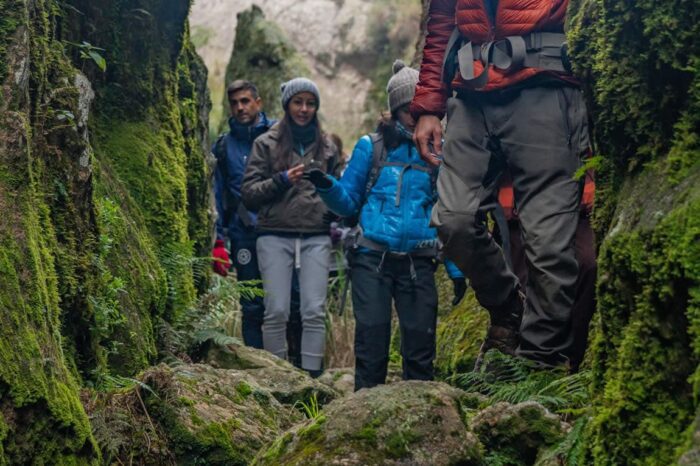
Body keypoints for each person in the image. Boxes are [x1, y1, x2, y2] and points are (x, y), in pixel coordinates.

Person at [411, 0, 591, 368]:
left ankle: (540, 363)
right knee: (452, 218)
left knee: (548, 244)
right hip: (472, 88)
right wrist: (430, 105)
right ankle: (508, 307)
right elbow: (443, 20)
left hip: (546, 83)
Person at [305, 61, 465, 391]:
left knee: (421, 346)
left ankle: (422, 418)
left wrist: (456, 270)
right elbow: (348, 201)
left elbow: (448, 216)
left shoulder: (440, 155)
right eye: (407, 109)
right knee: (372, 343)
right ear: (394, 110)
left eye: (419, 108)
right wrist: (326, 186)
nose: (414, 115)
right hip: (371, 258)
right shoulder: (372, 147)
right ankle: (366, 417)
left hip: (419, 261)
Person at [241, 77, 341, 377]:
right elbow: (248, 194)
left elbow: (343, 193)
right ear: (287, 105)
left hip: (316, 235)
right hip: (273, 234)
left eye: (310, 103)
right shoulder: (266, 143)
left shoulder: (328, 146)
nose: (304, 109)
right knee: (277, 312)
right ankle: (278, 377)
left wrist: (333, 215)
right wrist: (283, 179)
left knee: (313, 311)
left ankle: (311, 378)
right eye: (298, 102)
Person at [495, 170, 597, 371]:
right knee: (523, 288)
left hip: (574, 204)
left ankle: (570, 369)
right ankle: (525, 373)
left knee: (587, 267)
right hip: (517, 210)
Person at [211, 80, 275, 349]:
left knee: (284, 302)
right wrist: (218, 239)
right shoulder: (224, 147)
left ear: (258, 102)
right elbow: (217, 192)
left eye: (245, 101)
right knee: (251, 303)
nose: (240, 107)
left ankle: (290, 367)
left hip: (278, 232)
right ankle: (257, 365)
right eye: (235, 103)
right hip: (242, 234)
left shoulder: (278, 137)